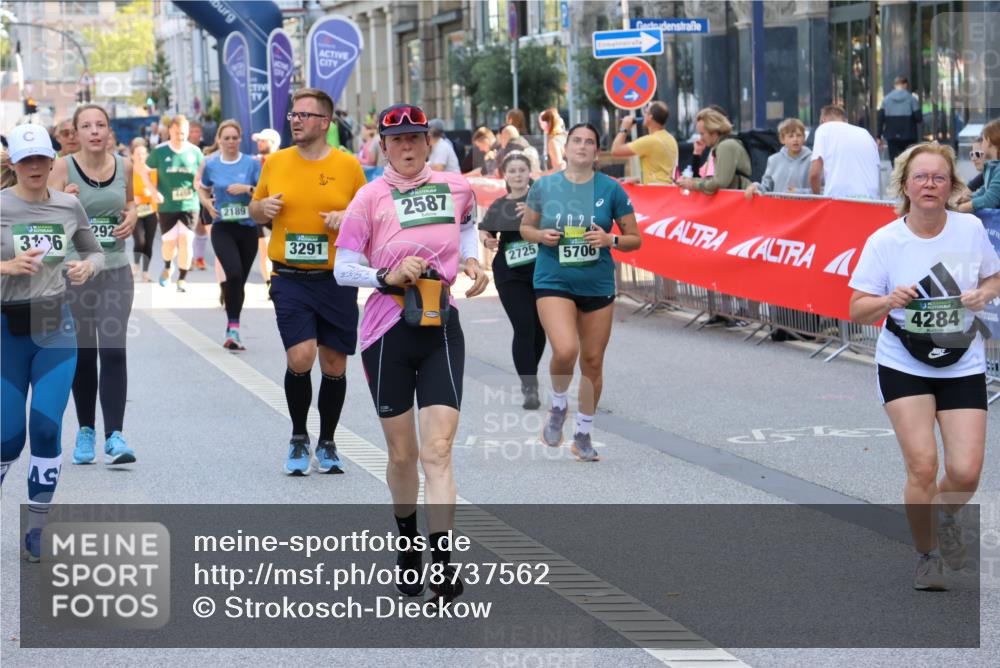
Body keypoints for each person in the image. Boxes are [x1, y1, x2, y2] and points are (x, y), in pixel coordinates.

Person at [334, 102, 488, 605]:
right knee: (403, 455)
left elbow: (466, 225)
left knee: (437, 451)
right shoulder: (367, 198)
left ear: (427, 143)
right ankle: (407, 545)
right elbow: (343, 269)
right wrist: (385, 276)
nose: (406, 147)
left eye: (415, 139)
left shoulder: (455, 186)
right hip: (385, 334)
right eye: (396, 140)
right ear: (383, 144)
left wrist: (472, 258)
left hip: (439, 325)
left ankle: (442, 563)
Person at [848, 142, 1000, 590]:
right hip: (903, 361)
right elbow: (857, 309)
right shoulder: (885, 240)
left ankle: (946, 513)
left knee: (967, 470)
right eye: (920, 177)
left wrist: (985, 294)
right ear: (905, 186)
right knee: (922, 465)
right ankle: (927, 554)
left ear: (951, 185)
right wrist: (887, 300)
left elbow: (994, 275)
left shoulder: (969, 229)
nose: (929, 185)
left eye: (938, 177)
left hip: (961, 360)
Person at [250, 88, 366, 476]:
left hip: (336, 279)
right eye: (293, 115)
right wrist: (260, 209)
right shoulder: (276, 162)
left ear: (325, 122)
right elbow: (255, 206)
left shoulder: (348, 166)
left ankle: (328, 440)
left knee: (334, 365)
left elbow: (369, 217)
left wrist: (346, 217)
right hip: (290, 277)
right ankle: (299, 435)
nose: (295, 120)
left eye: (304, 115)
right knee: (301, 356)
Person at [1, 123, 104, 560]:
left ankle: (37, 525)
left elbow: (94, 250)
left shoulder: (68, 207)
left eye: (41, 158)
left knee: (45, 428)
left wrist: (88, 268)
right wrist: (5, 268)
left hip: (56, 325)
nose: (35, 167)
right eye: (26, 160)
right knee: (7, 437)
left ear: (52, 159)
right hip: (7, 330)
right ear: (13, 163)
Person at [519, 123, 642, 462]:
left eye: (590, 142)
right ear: (567, 146)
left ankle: (583, 433)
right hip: (553, 280)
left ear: (596, 151)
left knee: (592, 361)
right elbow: (525, 227)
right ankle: (558, 406)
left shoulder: (611, 189)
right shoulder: (545, 186)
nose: (583, 146)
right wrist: (540, 236)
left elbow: (635, 239)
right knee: (566, 348)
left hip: (597, 284)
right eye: (577, 140)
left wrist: (610, 239)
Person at [47, 104, 138, 466]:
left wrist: (131, 216)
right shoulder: (61, 167)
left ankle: (115, 435)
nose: (95, 131)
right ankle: (86, 430)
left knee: (114, 351)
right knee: (84, 355)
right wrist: (62, 200)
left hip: (115, 270)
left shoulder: (125, 165)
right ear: (76, 132)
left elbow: (130, 203)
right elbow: (43, 214)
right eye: (87, 126)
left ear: (109, 130)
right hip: (75, 273)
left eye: (100, 124)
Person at [480, 153, 546, 409]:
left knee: (541, 331)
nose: (517, 174)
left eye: (522, 170)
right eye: (513, 171)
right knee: (524, 326)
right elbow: (486, 228)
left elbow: (558, 224)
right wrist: (487, 239)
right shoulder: (499, 205)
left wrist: (537, 215)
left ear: (529, 173)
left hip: (541, 271)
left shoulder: (541, 200)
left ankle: (529, 370)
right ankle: (530, 387)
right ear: (505, 175)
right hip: (510, 273)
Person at [197, 120, 261, 350]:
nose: (231, 142)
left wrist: (247, 189)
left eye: (235, 137)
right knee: (233, 273)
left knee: (239, 280)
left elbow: (264, 191)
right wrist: (206, 203)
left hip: (247, 228)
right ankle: (232, 328)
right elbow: (203, 187)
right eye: (227, 138)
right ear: (219, 140)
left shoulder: (252, 164)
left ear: (240, 139)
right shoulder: (211, 164)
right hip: (222, 227)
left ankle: (234, 326)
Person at [146, 115, 204, 292]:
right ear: (170, 131)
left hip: (189, 204)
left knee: (186, 240)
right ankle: (168, 266)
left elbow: (202, 176)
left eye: (184, 133)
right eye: (177, 133)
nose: (180, 137)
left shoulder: (195, 152)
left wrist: (199, 184)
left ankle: (182, 278)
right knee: (169, 245)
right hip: (167, 206)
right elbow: (145, 172)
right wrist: (153, 192)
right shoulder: (160, 151)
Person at [808, 104, 880, 199]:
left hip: (839, 199)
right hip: (870, 200)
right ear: (845, 121)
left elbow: (814, 173)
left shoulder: (824, 129)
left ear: (823, 120)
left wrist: (816, 197)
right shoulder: (865, 133)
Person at [676, 107, 751, 194]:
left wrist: (693, 184)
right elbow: (712, 180)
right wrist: (691, 181)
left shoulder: (725, 146)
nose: (701, 138)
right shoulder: (722, 146)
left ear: (713, 131)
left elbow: (720, 182)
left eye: (702, 134)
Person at [610, 101, 678, 185]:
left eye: (645, 113)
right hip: (667, 190)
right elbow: (661, 172)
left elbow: (615, 150)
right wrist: (640, 180)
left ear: (650, 117)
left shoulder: (650, 141)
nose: (643, 116)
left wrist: (624, 129)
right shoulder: (670, 138)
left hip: (654, 193)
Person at [745, 117, 812, 198]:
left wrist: (799, 192)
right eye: (791, 136)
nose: (795, 139)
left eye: (799, 135)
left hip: (805, 209)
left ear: (804, 138)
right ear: (782, 139)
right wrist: (755, 186)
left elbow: (821, 190)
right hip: (778, 208)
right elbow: (766, 187)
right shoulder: (773, 160)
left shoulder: (812, 160)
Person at [252, 128, 281, 289]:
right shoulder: (255, 162)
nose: (259, 143)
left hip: (282, 212)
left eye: (263, 140)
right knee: (265, 249)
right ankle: (269, 284)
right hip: (263, 211)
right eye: (258, 140)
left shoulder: (283, 160)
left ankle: (279, 280)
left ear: (273, 143)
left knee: (280, 250)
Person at [130, 138, 160, 282]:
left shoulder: (152, 172)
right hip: (135, 212)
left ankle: (146, 273)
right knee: (140, 241)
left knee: (148, 242)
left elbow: (156, 192)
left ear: (147, 155)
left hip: (150, 211)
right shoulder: (129, 173)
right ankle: (135, 264)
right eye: (138, 154)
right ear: (132, 156)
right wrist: (132, 198)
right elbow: (125, 191)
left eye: (143, 154)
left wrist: (152, 193)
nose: (141, 157)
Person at [957, 118, 1000, 214]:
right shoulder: (993, 166)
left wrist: (961, 208)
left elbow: (989, 200)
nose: (973, 158)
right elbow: (985, 190)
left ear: (988, 140)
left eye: (983, 139)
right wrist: (969, 198)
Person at [877, 76, 922, 165]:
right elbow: (919, 118)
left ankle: (897, 178)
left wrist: (878, 136)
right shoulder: (912, 99)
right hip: (909, 136)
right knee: (909, 162)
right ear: (905, 85)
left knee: (895, 162)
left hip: (892, 136)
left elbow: (880, 119)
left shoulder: (886, 100)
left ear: (895, 85)